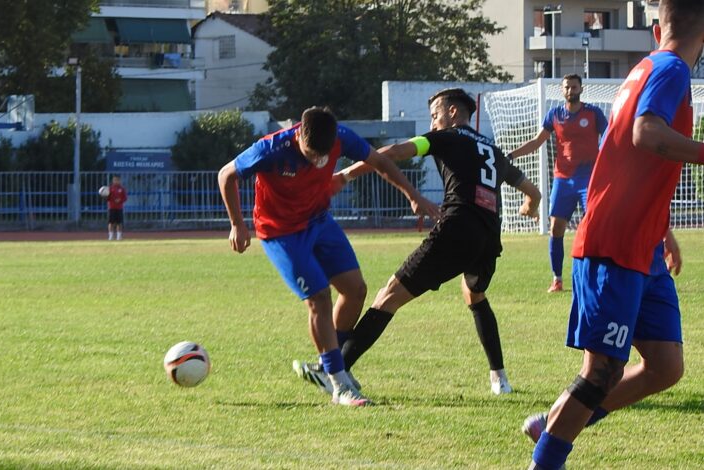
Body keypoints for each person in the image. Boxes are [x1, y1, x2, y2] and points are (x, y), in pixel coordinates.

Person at [525, 1, 704, 468]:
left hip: (640, 243)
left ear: (654, 27)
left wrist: (661, 228)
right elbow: (647, 135)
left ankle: (557, 422)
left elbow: (624, 161)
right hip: (615, 244)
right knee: (601, 372)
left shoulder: (647, 67)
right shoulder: (670, 70)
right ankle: (547, 455)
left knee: (665, 367)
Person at [294, 89, 541, 396]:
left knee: (388, 296)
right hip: (489, 236)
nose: (433, 123)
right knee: (474, 295)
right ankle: (499, 379)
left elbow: (394, 152)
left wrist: (346, 175)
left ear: (452, 112)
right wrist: (531, 206)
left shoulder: (447, 137)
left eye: (435, 115)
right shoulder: (494, 150)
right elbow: (533, 191)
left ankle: (333, 370)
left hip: (458, 227)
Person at [217, 106, 440, 407]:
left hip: (319, 221)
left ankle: (326, 366)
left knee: (355, 289)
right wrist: (237, 224)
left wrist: (413, 194)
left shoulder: (341, 137)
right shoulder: (271, 148)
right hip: (281, 232)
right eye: (311, 154)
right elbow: (226, 174)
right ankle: (339, 383)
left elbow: (379, 161)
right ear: (299, 136)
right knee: (319, 298)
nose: (319, 161)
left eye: (324, 156)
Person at [508, 74, 608, 293]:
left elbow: (609, 136)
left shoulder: (593, 113)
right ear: (562, 91)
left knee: (593, 227)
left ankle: (596, 276)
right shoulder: (554, 115)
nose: (570, 90)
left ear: (581, 88)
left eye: (574, 86)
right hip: (563, 179)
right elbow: (536, 142)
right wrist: (511, 155)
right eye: (567, 87)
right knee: (556, 228)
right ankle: (557, 279)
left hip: (589, 178)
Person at [106, 175, 127, 241]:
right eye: (115, 180)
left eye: (117, 180)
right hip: (111, 207)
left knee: (119, 222)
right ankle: (111, 236)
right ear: (113, 180)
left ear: (120, 181)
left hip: (119, 208)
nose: (116, 181)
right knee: (111, 222)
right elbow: (107, 198)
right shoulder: (110, 189)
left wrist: (120, 200)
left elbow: (125, 198)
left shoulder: (122, 189)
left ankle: (119, 236)